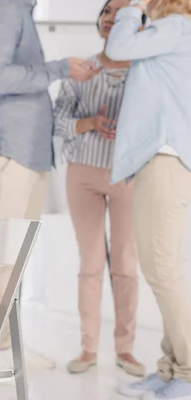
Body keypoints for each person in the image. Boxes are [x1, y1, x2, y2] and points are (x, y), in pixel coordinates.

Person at [0, 0, 101, 369]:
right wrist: (58, 69)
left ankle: (6, 350)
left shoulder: (19, 11)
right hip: (9, 152)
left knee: (14, 261)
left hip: (25, 154)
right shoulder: (4, 10)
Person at [103, 0, 191, 399]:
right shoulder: (172, 33)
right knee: (165, 270)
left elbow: (117, 48)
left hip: (165, 160)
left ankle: (187, 374)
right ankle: (171, 369)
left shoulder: (174, 27)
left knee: (162, 271)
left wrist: (131, 7)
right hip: (164, 161)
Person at [53, 0, 146, 377]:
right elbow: (58, 121)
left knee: (125, 263)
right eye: (107, 11)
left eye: (120, 14)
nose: (110, 18)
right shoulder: (81, 69)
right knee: (90, 263)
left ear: (137, 27)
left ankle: (126, 351)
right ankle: (88, 349)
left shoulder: (146, 72)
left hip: (129, 176)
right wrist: (89, 122)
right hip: (83, 175)